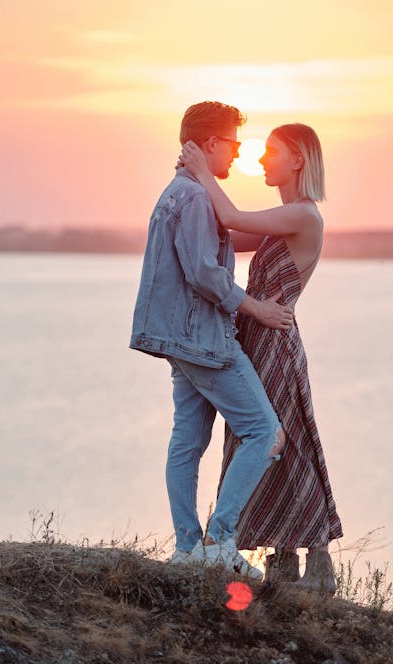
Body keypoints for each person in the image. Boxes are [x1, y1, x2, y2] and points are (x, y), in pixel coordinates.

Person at [130, 101, 294, 581]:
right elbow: (204, 271)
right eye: (234, 144)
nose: (239, 155)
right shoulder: (196, 197)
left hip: (181, 341)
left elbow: (216, 241)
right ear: (209, 144)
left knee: (188, 441)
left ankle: (187, 548)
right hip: (204, 340)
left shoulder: (178, 192)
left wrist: (280, 229)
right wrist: (257, 307)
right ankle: (220, 541)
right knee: (266, 434)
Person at [180, 123, 343, 592]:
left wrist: (199, 170)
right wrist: (188, 196)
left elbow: (230, 212)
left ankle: (315, 555)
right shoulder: (285, 217)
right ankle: (280, 556)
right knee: (260, 444)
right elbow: (224, 230)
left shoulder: (304, 216)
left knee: (281, 442)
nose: (260, 160)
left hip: (275, 343)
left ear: (298, 160)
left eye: (271, 152)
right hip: (254, 336)